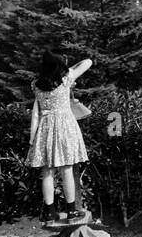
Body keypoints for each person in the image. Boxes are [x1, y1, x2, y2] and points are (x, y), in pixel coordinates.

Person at [26, 52, 93, 223]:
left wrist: (32, 139)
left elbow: (35, 114)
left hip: (45, 127)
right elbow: (88, 62)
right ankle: (71, 212)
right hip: (65, 126)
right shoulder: (66, 79)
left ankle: (49, 213)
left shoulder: (36, 84)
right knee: (67, 170)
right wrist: (67, 69)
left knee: (47, 172)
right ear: (58, 66)